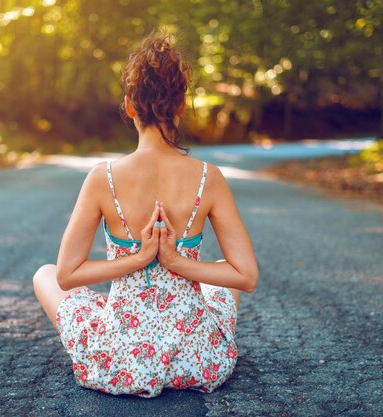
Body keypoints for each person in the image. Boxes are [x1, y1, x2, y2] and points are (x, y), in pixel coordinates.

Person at [33, 30, 258, 398]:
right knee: (221, 276)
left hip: (119, 360)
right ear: (181, 106)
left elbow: (67, 274)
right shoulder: (208, 177)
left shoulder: (102, 178)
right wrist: (175, 261)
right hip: (197, 358)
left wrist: (138, 259)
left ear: (130, 106)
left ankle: (122, 316)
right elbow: (246, 277)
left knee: (44, 275)